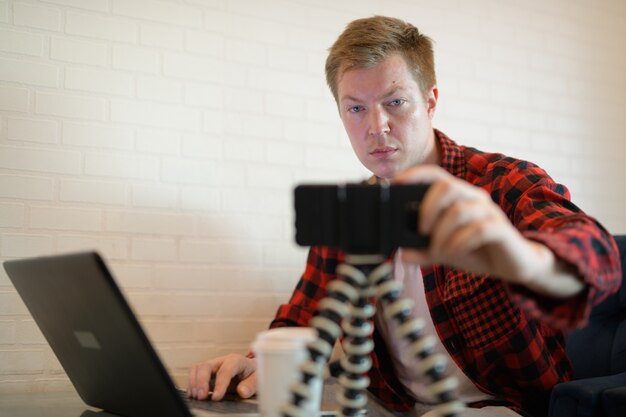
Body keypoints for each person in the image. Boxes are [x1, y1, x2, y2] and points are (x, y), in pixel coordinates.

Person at [187, 16, 621, 417]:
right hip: (393, 407)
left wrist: (518, 257)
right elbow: (303, 321)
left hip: (503, 408)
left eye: (395, 102)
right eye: (355, 108)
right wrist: (253, 364)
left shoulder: (500, 183)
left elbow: (596, 259)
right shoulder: (349, 214)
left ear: (430, 101)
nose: (376, 127)